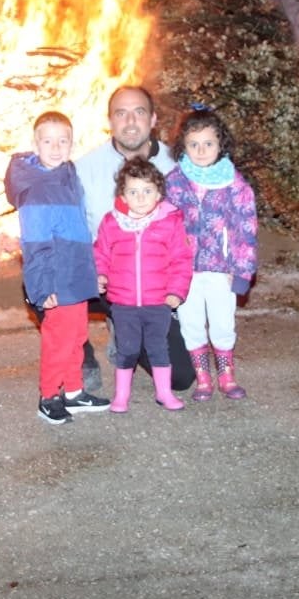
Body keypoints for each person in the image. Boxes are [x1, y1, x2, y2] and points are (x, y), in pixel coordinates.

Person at [75, 85, 195, 393]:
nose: (130, 121)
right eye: (121, 113)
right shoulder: (85, 169)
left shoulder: (179, 166)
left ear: (153, 119)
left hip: (156, 288)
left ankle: (126, 332)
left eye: (139, 112)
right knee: (43, 277)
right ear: (110, 121)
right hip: (105, 278)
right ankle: (81, 351)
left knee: (181, 377)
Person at [4, 111, 111, 424]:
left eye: (62, 140)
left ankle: (74, 392)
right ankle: (49, 395)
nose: (55, 146)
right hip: (55, 278)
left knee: (77, 336)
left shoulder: (67, 175)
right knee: (58, 340)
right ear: (35, 143)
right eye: (47, 140)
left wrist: (91, 271)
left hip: (75, 272)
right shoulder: (37, 188)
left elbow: (79, 228)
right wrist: (41, 288)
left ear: (71, 143)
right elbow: (34, 244)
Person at [163, 108, 257, 402]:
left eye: (208, 144)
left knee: (222, 323)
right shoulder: (174, 181)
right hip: (185, 271)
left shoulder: (234, 183)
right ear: (183, 146)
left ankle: (226, 375)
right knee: (191, 323)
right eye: (193, 144)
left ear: (221, 145)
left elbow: (245, 228)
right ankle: (203, 377)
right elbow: (164, 225)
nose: (201, 151)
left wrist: (243, 272)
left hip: (221, 269)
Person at [92, 158, 193, 413]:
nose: (140, 197)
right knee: (127, 350)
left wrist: (176, 291)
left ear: (158, 193)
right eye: (133, 191)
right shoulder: (111, 223)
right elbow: (100, 253)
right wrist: (100, 275)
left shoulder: (169, 222)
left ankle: (164, 393)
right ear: (123, 196)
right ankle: (121, 395)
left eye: (147, 191)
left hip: (158, 302)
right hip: (124, 304)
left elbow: (181, 259)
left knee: (159, 348)